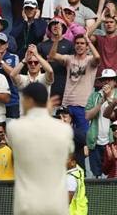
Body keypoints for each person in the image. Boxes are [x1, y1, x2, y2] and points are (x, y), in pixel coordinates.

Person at [6, 83, 73, 215]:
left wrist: (43, 111)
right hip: (56, 205)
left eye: (23, 99)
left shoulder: (14, 127)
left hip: (28, 206)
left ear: (29, 101)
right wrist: (46, 112)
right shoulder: (65, 129)